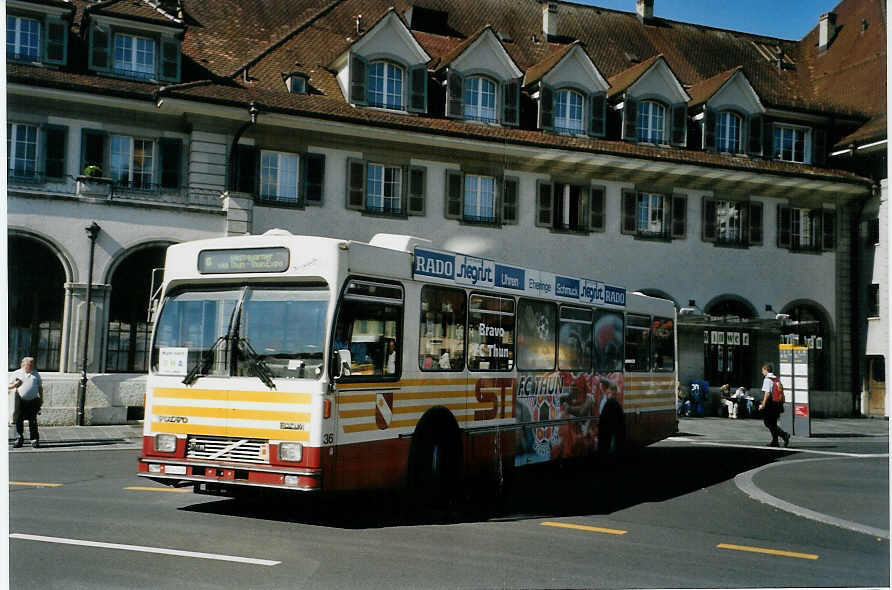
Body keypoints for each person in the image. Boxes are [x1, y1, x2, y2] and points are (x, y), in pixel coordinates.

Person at [9, 356, 43, 448]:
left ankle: (34, 440)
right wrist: (14, 385)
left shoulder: (36, 374)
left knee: (33, 421)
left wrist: (41, 399)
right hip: (20, 400)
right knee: (18, 420)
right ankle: (19, 438)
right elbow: (8, 386)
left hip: (33, 401)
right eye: (29, 364)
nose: (32, 365)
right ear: (24, 364)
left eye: (33, 364)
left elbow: (40, 387)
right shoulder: (17, 373)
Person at [759, 362, 790, 447]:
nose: (762, 372)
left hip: (771, 404)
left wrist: (763, 404)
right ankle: (775, 441)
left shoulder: (767, 379)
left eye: (763, 370)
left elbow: (767, 393)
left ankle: (784, 435)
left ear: (766, 370)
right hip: (778, 403)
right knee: (773, 422)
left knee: (768, 422)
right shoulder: (776, 378)